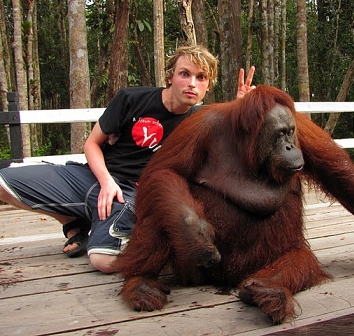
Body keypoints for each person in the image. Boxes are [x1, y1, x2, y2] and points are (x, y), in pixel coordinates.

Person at [0, 45, 255, 273]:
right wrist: (106, 182)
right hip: (94, 176)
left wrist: (240, 107)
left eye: (201, 78)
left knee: (104, 262)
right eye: (184, 74)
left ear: (208, 86)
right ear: (170, 77)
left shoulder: (202, 122)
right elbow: (91, 144)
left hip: (133, 195)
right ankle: (73, 223)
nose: (192, 83)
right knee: (3, 183)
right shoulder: (132, 98)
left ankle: (129, 238)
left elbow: (234, 145)